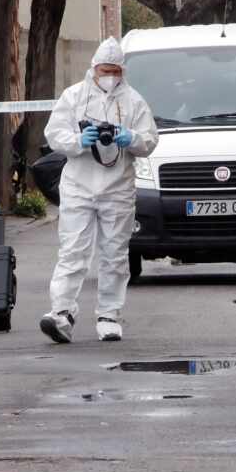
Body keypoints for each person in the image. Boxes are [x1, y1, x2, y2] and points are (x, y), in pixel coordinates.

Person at [39, 37, 158, 344]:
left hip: (117, 187)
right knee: (73, 251)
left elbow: (150, 141)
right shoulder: (74, 96)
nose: (110, 76)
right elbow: (54, 135)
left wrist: (130, 138)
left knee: (115, 254)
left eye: (115, 71)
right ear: (93, 68)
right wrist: (80, 140)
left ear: (122, 71)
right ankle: (61, 313)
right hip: (79, 185)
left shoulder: (134, 101)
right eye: (105, 70)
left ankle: (109, 315)